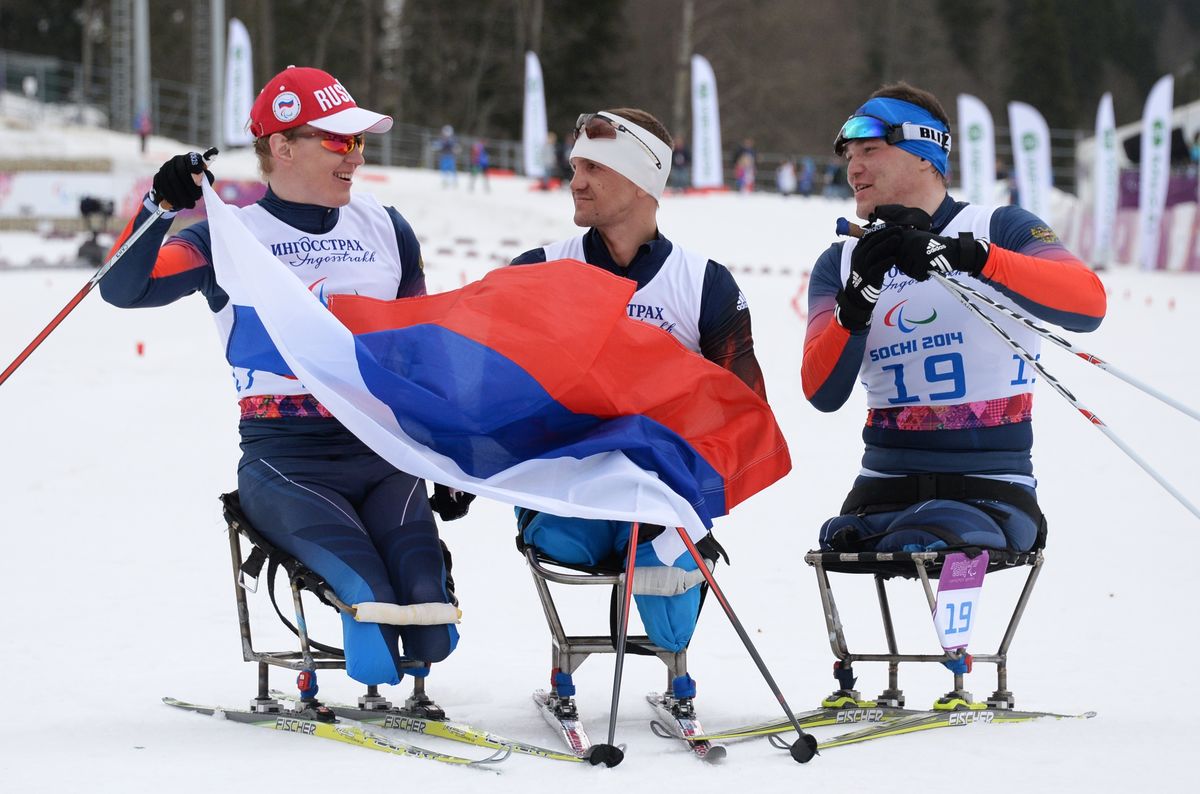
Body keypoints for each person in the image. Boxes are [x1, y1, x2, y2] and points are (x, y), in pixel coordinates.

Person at [98, 66, 471, 703]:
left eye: (358, 142)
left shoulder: (387, 228)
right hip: (287, 457)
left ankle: (406, 655)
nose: (354, 157)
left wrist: (444, 451)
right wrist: (159, 207)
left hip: (380, 452)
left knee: (432, 626)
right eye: (338, 141)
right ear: (282, 146)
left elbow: (419, 350)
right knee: (373, 610)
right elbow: (123, 287)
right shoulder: (228, 236)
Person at [509, 108, 767, 713]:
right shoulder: (541, 270)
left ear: (643, 179)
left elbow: (745, 414)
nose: (576, 181)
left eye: (594, 167)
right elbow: (481, 376)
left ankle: (675, 662)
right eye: (574, 167)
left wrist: (683, 488)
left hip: (660, 500)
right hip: (567, 497)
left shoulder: (703, 283)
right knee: (574, 543)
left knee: (671, 624)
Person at [801, 82, 1107, 560]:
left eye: (870, 150)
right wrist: (856, 301)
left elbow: (1088, 304)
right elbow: (821, 392)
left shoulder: (1000, 227)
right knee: (843, 540)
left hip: (989, 487)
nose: (853, 168)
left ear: (925, 155)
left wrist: (971, 256)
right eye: (848, 157)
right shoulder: (839, 263)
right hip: (883, 489)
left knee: (924, 539)